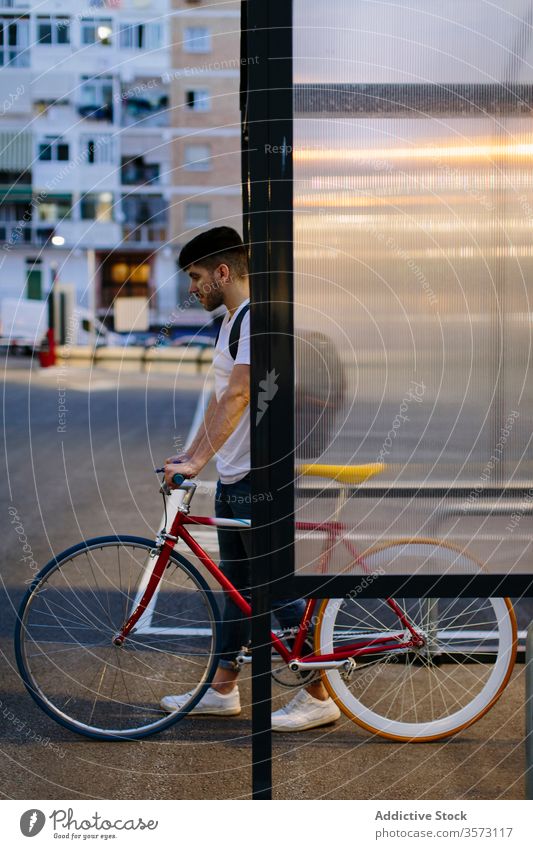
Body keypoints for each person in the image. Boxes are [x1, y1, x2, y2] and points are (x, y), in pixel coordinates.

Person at [161, 226, 340, 731]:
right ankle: (222, 689)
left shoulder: (255, 319)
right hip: (237, 476)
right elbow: (222, 400)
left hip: (259, 478)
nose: (192, 288)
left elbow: (241, 394)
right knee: (238, 589)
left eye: (196, 277)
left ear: (222, 271)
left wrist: (197, 463)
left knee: (275, 590)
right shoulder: (232, 322)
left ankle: (319, 693)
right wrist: (191, 456)